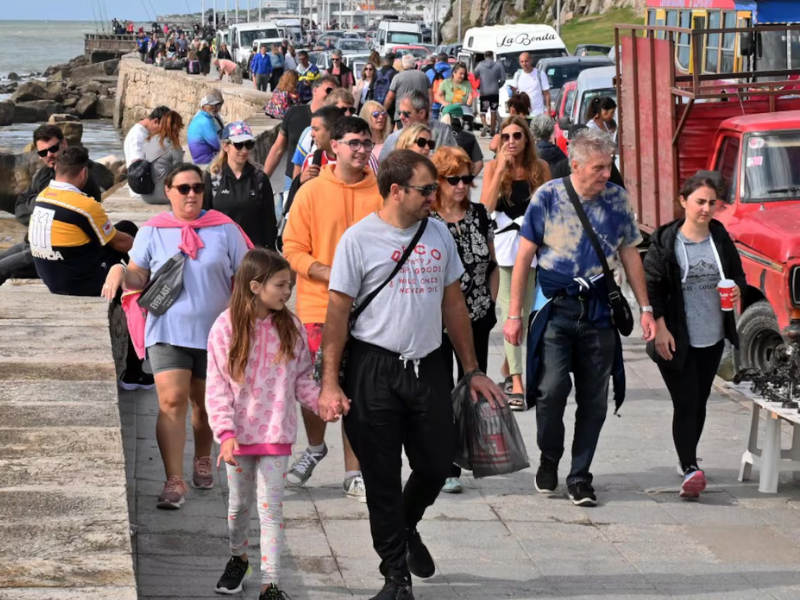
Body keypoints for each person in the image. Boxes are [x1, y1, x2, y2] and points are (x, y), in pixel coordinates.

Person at [319, 149, 505, 599]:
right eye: (426, 189)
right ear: (396, 191)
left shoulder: (437, 233)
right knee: (381, 476)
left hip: (429, 365)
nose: (434, 196)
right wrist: (329, 383)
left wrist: (472, 370)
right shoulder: (358, 240)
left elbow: (453, 303)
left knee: (438, 463)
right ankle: (395, 578)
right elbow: (337, 315)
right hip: (374, 368)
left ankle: (406, 526)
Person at [503, 129, 657, 507]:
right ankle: (549, 456)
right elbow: (524, 258)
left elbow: (630, 254)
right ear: (575, 165)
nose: (607, 174)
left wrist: (646, 308)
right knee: (550, 390)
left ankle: (579, 476)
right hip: (556, 310)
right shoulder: (548, 197)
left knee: (594, 399)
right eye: (599, 167)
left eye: (609, 166)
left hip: (599, 313)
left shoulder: (617, 199)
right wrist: (514, 315)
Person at [101, 163, 252, 510]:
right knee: (171, 402)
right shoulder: (153, 231)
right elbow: (139, 277)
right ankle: (173, 480)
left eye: (197, 188)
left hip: (215, 336)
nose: (191, 194)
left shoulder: (225, 228)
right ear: (167, 191)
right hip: (166, 332)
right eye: (183, 188)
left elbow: (246, 278)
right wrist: (120, 270)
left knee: (204, 406)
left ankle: (202, 457)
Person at [206, 248, 320, 599]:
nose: (288, 291)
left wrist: (324, 403)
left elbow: (303, 379)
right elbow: (216, 387)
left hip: (275, 435)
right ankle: (238, 558)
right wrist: (225, 433)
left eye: (289, 284)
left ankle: (271, 584)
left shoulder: (292, 327)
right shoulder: (225, 327)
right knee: (238, 507)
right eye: (281, 285)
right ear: (255, 286)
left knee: (271, 512)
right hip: (237, 439)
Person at [282, 117, 383, 501]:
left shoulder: (382, 193)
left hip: (369, 309)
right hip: (318, 307)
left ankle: (354, 472)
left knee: (357, 389)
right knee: (314, 386)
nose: (360, 149)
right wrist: (328, 272)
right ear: (334, 146)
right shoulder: (310, 192)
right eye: (353, 142)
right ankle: (314, 447)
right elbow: (292, 249)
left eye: (366, 143)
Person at [644, 174, 746, 500]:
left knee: (699, 402)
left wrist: (736, 289)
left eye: (712, 203)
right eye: (700, 201)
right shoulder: (666, 241)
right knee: (686, 401)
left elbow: (737, 274)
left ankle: (687, 457)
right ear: (683, 201)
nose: (706, 209)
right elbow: (652, 287)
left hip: (712, 336)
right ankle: (690, 467)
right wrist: (660, 328)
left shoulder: (719, 236)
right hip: (676, 336)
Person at [431, 146, 498, 494]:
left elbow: (493, 265)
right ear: (438, 181)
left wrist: (491, 304)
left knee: (472, 387)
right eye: (452, 179)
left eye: (466, 179)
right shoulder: (428, 220)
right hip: (438, 321)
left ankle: (470, 452)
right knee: (442, 391)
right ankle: (447, 464)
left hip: (478, 317)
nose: (461, 186)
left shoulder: (481, 215)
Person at [481, 115, 551, 409]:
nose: (511, 142)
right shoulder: (492, 168)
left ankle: (508, 366)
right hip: (506, 249)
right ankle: (518, 382)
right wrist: (500, 169)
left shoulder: (540, 167)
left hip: (533, 249)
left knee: (527, 310)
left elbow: (550, 206)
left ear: (526, 139)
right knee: (513, 312)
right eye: (506, 136)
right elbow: (485, 208)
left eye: (517, 136)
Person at [2, 126, 104, 287]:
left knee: (2, 269)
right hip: (35, 243)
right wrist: (41, 207)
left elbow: (53, 214)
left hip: (57, 252)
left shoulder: (78, 175)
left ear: (64, 144)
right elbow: (19, 208)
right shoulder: (45, 173)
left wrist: (34, 203)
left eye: (53, 149)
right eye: (43, 152)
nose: (49, 155)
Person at [28, 146, 133, 298]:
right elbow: (120, 243)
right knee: (128, 240)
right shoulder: (84, 205)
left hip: (51, 277)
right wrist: (148, 250)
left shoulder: (43, 196)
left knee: (124, 227)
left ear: (56, 168)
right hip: (80, 281)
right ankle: (146, 281)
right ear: (83, 173)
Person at [263, 74, 338, 205]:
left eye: (335, 92)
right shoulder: (294, 113)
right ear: (315, 90)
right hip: (291, 179)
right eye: (329, 90)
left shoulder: (337, 122)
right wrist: (263, 180)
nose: (332, 95)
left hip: (323, 181)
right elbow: (278, 148)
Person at [204, 122, 277, 249]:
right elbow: (204, 215)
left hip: (252, 251)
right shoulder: (213, 178)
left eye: (248, 144)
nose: (244, 150)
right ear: (225, 146)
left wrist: (269, 250)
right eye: (238, 145)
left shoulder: (260, 179)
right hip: (221, 249)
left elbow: (269, 220)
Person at [291, 89, 361, 178]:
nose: (348, 114)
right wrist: (299, 181)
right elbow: (298, 167)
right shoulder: (309, 134)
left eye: (351, 110)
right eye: (343, 109)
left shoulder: (359, 138)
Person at [378, 91, 458, 162]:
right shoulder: (393, 138)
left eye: (406, 114)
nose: (401, 117)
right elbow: (383, 167)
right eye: (400, 113)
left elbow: (455, 161)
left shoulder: (443, 132)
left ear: (421, 113)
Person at [140, 109, 185, 205]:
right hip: (163, 196)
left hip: (145, 195)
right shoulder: (174, 146)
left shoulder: (148, 140)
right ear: (177, 128)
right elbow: (179, 173)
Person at [384, 54, 431, 122]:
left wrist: (384, 110)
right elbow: (430, 94)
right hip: (419, 115)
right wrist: (429, 110)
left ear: (403, 65)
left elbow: (390, 96)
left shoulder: (397, 77)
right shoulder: (423, 76)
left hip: (401, 116)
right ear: (414, 64)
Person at [439, 108, 484, 175]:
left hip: (442, 176)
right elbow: (479, 164)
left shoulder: (436, 134)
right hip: (463, 176)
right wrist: (469, 178)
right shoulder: (470, 136)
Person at [473, 50, 506, 137]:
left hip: (484, 92)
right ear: (492, 56)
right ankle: (492, 130)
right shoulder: (498, 65)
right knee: (493, 111)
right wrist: (498, 86)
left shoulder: (480, 65)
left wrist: (479, 84)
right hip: (494, 92)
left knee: (483, 111)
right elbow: (503, 79)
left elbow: (474, 75)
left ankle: (484, 125)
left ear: (484, 56)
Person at [187, 90, 225, 165]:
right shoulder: (205, 121)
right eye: (211, 106)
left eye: (216, 105)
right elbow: (217, 144)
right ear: (204, 107)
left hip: (202, 156)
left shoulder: (204, 116)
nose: (215, 108)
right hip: (205, 160)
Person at [509, 52, 550, 116]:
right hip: (523, 114)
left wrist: (549, 112)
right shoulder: (517, 75)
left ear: (531, 61)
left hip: (538, 113)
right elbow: (514, 94)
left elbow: (547, 94)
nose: (524, 64)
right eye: (522, 62)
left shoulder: (540, 74)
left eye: (526, 61)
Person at [435, 62, 474, 127]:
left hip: (462, 110)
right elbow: (437, 95)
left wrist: (467, 106)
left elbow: (470, 96)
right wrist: (444, 102)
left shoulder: (467, 84)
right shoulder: (446, 82)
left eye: (464, 74)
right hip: (449, 109)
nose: (462, 76)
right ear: (454, 73)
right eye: (460, 74)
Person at [427, 53, 452, 120]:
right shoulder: (452, 73)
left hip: (433, 104)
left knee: (433, 124)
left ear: (436, 60)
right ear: (447, 61)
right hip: (446, 104)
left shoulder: (429, 72)